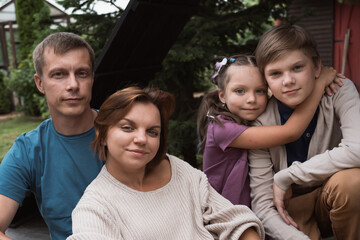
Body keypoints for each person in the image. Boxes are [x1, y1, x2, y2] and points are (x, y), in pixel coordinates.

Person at [67, 86, 265, 240]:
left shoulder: (179, 170)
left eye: (152, 131)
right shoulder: (94, 208)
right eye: (128, 128)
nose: (142, 139)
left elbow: (234, 221)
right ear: (102, 135)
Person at [248, 24, 360, 239]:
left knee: (353, 183)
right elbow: (262, 206)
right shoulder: (260, 122)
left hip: (334, 194)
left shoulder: (339, 90)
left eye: (297, 68)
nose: (288, 80)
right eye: (275, 73)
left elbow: (357, 149)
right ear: (266, 80)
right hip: (289, 208)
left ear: (317, 66)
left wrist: (286, 176)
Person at [197, 54, 340, 207]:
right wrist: (319, 85)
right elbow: (291, 132)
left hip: (255, 211)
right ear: (222, 95)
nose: (251, 99)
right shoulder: (221, 128)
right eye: (240, 91)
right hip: (225, 215)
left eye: (260, 91)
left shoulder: (257, 121)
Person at [0, 32, 104, 240]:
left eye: (82, 73)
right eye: (59, 74)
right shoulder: (28, 151)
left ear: (92, 78)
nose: (73, 84)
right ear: (40, 83)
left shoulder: (127, 133)